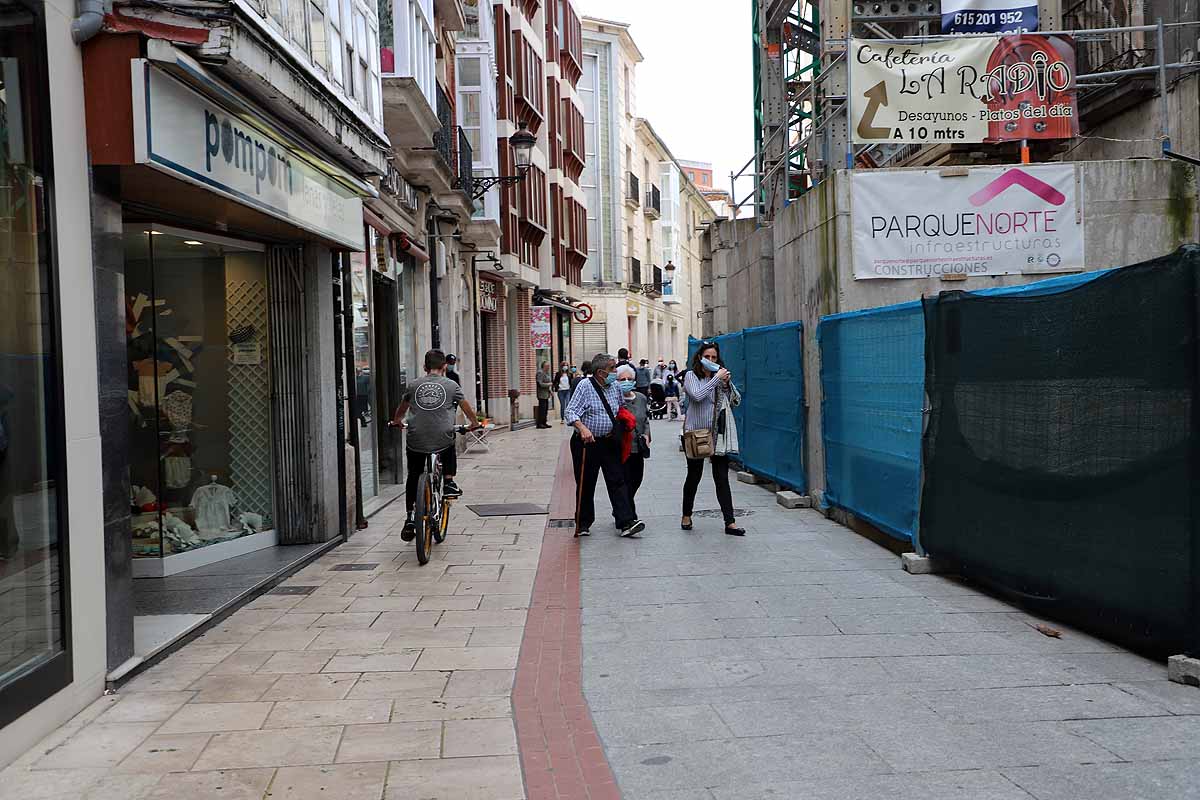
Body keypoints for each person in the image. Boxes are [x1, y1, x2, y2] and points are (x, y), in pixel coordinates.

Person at [390, 349, 480, 541]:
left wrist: (397, 420)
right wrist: (474, 424)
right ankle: (448, 482)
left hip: (416, 439)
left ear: (425, 367)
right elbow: (466, 407)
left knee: (414, 475)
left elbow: (402, 408)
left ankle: (411, 517)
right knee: (448, 441)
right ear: (445, 366)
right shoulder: (451, 385)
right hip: (442, 437)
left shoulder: (414, 385)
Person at [564, 353, 644, 538]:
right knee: (586, 482)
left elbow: (619, 407)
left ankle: (625, 522)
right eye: (612, 369)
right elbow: (571, 412)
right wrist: (582, 428)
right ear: (601, 372)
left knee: (618, 480)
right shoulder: (585, 386)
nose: (615, 372)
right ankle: (583, 523)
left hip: (609, 441)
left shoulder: (615, 386)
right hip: (586, 443)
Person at [681, 342, 746, 536]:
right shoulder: (691, 376)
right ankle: (686, 514)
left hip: (718, 434)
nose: (710, 361)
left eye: (714, 358)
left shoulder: (720, 379)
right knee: (694, 476)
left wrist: (726, 384)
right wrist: (715, 379)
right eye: (707, 357)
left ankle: (730, 522)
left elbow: (736, 401)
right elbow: (698, 396)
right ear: (699, 358)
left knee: (722, 478)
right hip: (696, 433)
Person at [615, 364, 649, 521]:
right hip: (622, 449)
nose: (626, 382)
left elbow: (646, 419)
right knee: (625, 482)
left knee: (636, 480)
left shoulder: (641, 398)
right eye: (622, 379)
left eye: (629, 379)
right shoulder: (615, 400)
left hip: (639, 449)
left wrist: (647, 434)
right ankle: (629, 515)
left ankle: (622, 508)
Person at [535, 361, 553, 429]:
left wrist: (550, 391)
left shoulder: (546, 373)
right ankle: (540, 423)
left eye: (549, 366)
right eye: (547, 366)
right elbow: (540, 384)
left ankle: (544, 422)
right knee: (542, 409)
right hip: (541, 394)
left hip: (546, 394)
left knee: (545, 409)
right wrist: (549, 384)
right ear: (544, 366)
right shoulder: (540, 373)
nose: (548, 367)